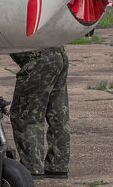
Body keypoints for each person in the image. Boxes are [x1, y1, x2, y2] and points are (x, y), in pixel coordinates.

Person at [8, 46, 70, 178]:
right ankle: (58, 165)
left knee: (25, 115)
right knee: (58, 114)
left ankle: (31, 166)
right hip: (58, 54)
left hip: (38, 58)